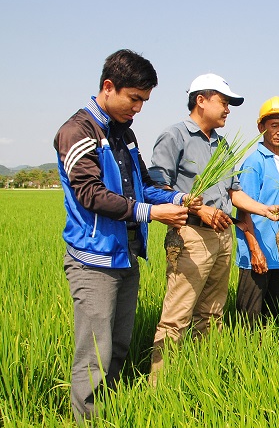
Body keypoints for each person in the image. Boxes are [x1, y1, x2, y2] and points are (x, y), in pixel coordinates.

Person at [53, 49, 198, 421]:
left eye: (143, 101)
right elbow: (91, 194)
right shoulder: (77, 132)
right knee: (94, 353)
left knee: (117, 345)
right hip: (93, 260)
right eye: (134, 99)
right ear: (108, 86)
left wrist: (179, 198)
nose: (138, 108)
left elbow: (141, 185)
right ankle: (88, 419)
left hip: (126, 255)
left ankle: (111, 411)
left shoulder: (125, 134)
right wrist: (153, 213)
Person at [147, 74, 279, 380]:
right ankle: (158, 387)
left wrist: (265, 209)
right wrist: (198, 208)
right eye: (224, 103)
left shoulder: (222, 145)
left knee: (211, 314)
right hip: (191, 235)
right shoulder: (175, 136)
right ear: (201, 100)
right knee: (177, 317)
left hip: (222, 237)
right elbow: (155, 188)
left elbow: (233, 192)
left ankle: (201, 377)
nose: (228, 110)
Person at [235, 96, 279, 329]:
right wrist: (255, 251)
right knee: (249, 322)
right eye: (274, 125)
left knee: (274, 318)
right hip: (258, 255)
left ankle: (270, 360)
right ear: (261, 127)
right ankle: (245, 362)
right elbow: (243, 210)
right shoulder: (254, 162)